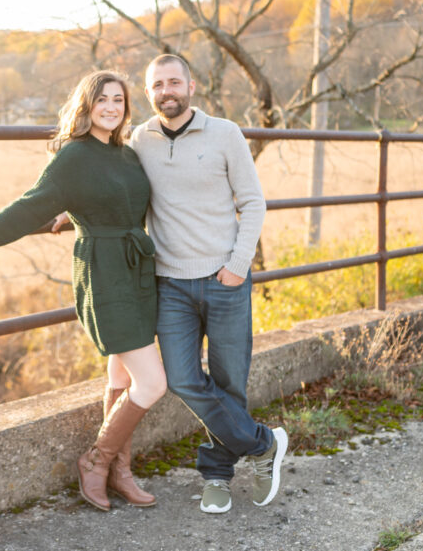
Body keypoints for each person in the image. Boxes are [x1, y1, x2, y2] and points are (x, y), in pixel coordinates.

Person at [0, 70, 166, 512]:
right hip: (104, 275)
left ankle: (120, 471)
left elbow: (119, 201)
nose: (112, 107)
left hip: (137, 271)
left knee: (123, 376)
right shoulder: (71, 158)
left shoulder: (126, 153)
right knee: (153, 383)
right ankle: (95, 462)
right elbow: (26, 209)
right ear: (86, 105)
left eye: (118, 99)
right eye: (102, 100)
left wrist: (77, 213)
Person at [128, 54, 288, 514]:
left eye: (174, 81)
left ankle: (217, 474)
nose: (166, 90)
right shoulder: (140, 140)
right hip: (170, 285)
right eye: (157, 84)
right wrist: (70, 212)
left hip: (224, 278)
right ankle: (263, 445)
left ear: (191, 86)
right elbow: (110, 187)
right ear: (149, 92)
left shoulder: (225, 133)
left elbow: (253, 202)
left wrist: (238, 264)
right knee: (181, 379)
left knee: (228, 380)